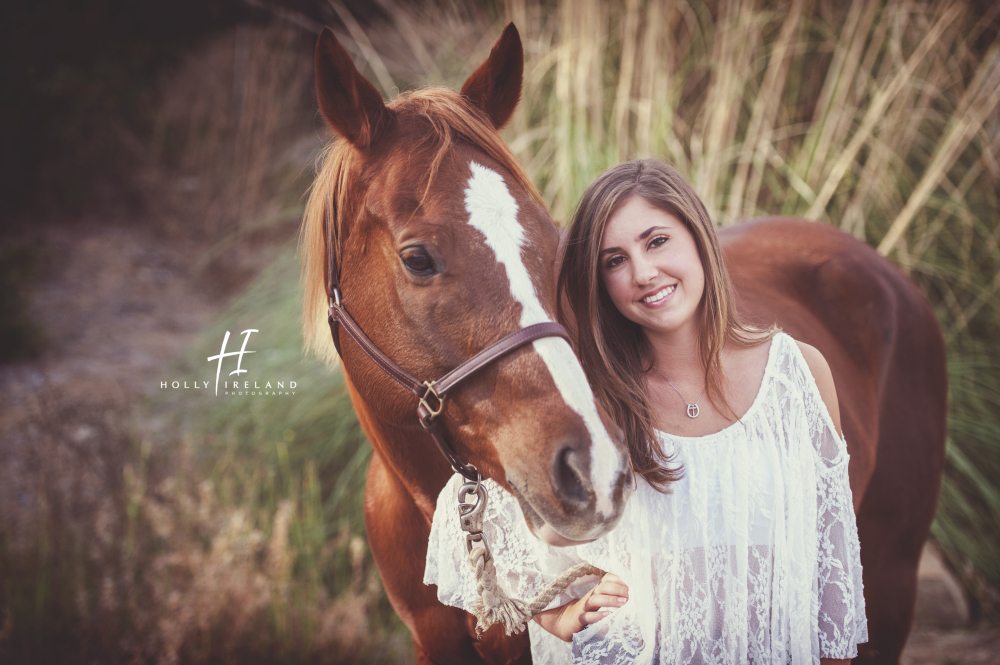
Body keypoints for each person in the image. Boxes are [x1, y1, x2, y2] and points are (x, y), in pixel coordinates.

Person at [424, 159, 868, 664]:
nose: (643, 273)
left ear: (697, 236)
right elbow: (471, 510)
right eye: (614, 260)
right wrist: (558, 614)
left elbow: (830, 554)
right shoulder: (592, 394)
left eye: (657, 241)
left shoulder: (798, 376)